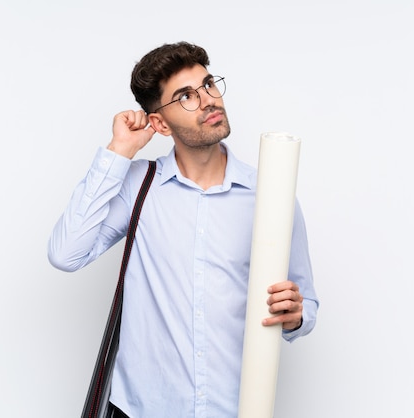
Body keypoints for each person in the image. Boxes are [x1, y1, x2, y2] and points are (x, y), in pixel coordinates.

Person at [48, 41, 318, 418]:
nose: (208, 99)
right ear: (159, 122)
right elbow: (66, 253)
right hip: (142, 410)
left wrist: (296, 316)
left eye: (208, 84)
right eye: (186, 96)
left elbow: (305, 302)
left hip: (235, 410)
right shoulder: (138, 186)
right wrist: (119, 150)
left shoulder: (272, 194)